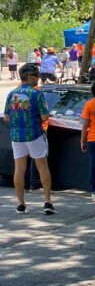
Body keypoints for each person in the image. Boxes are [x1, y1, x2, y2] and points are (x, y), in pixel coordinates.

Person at [4, 63, 55, 214]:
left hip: (16, 136)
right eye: (37, 76)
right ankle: (47, 202)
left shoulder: (11, 94)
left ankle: (21, 204)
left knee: (19, 169)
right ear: (29, 76)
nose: (38, 79)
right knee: (42, 167)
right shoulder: (36, 93)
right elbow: (44, 116)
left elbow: (6, 117)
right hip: (34, 134)